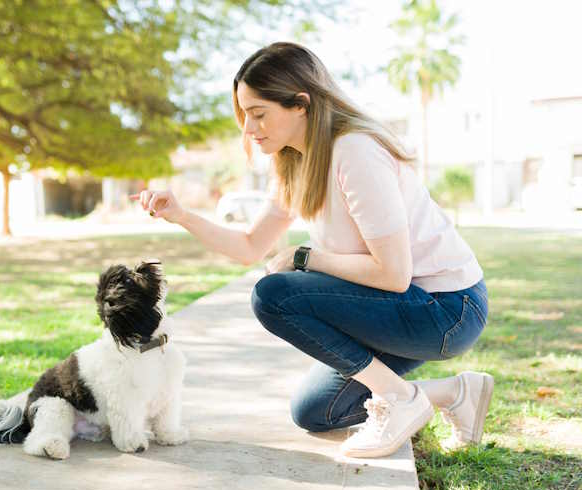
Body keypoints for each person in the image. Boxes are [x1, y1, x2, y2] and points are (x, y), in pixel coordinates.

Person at [131, 42, 492, 458]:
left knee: (273, 295)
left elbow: (393, 273)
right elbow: (250, 246)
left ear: (301, 104)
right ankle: (455, 392)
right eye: (244, 115)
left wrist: (304, 257)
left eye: (258, 113)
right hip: (399, 306)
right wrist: (182, 215)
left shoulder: (355, 150)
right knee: (316, 411)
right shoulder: (294, 161)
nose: (248, 129)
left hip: (446, 310)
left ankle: (400, 399)